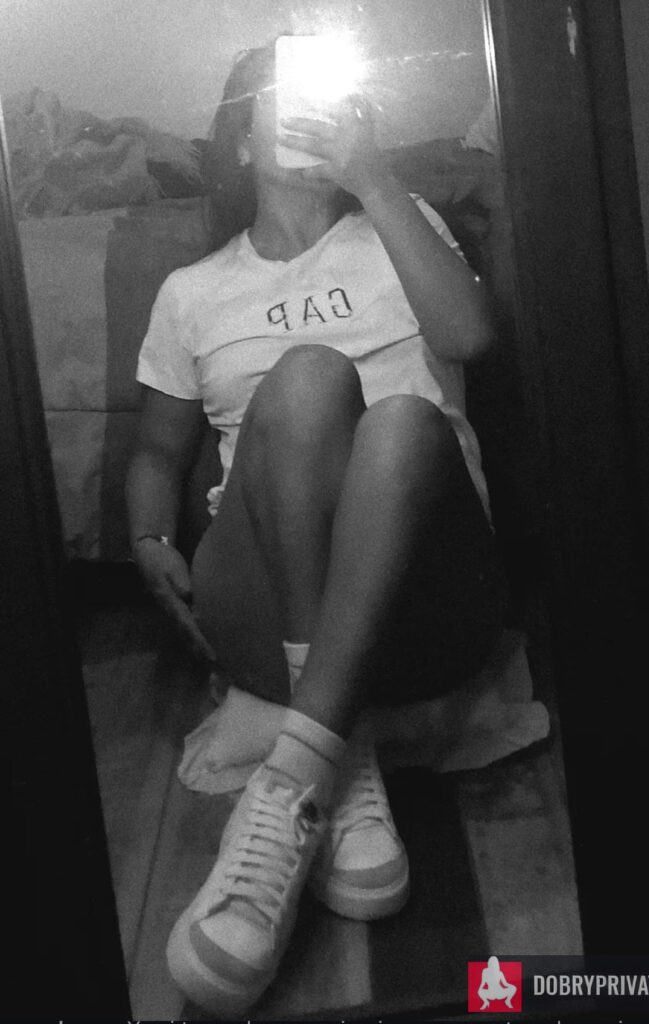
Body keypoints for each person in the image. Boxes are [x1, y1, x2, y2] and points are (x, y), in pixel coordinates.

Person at [126, 43, 505, 1017]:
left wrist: (373, 178)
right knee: (306, 381)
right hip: (258, 603)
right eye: (279, 100)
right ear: (242, 144)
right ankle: (335, 738)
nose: (304, 114)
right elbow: (159, 453)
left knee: (403, 423)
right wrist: (148, 537)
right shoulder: (192, 292)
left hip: (428, 599)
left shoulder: (399, 225)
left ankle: (300, 764)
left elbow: (468, 339)